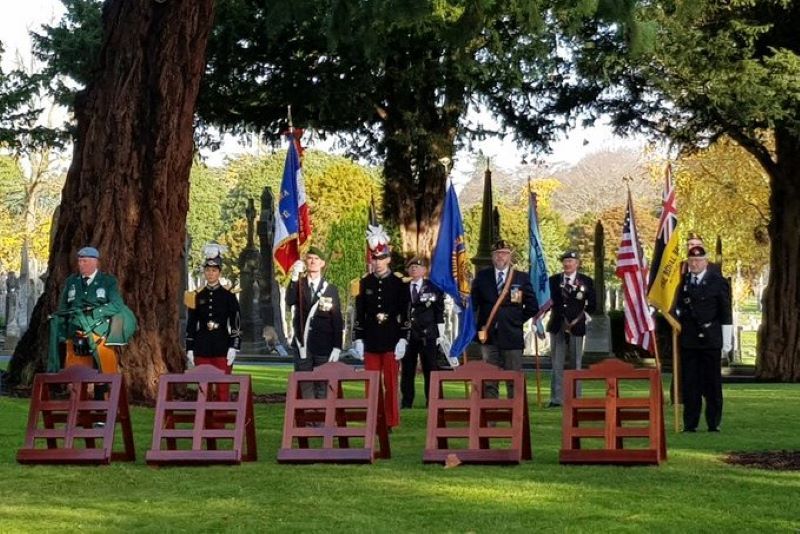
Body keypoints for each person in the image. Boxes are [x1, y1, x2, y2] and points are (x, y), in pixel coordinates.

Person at [353, 224, 410, 429]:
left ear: (388, 259)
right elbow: (359, 313)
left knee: (391, 383)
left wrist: (403, 338)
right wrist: (358, 338)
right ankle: (374, 419)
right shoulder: (364, 283)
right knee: (371, 383)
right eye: (374, 258)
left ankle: (391, 420)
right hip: (371, 339)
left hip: (391, 339)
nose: (377, 262)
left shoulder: (399, 283)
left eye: (381, 258)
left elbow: (406, 312)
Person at [48, 246, 136, 376]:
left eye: (85, 261)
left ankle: (107, 384)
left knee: (106, 363)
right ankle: (75, 384)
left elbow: (117, 305)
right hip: (75, 328)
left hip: (98, 328)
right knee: (75, 371)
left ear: (95, 262)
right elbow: (63, 307)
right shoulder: (71, 281)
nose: (81, 264)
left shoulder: (107, 281)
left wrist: (96, 313)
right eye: (79, 261)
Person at [675, 245, 732, 432]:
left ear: (706, 262)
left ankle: (713, 423)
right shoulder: (683, 282)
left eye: (698, 261)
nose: (694, 264)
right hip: (690, 340)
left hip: (710, 339)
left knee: (712, 384)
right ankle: (690, 424)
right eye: (691, 261)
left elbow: (725, 313)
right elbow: (678, 308)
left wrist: (726, 342)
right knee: (690, 384)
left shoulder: (718, 282)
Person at [471, 240, 538, 398]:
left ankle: (515, 412)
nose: (500, 256)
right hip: (488, 334)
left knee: (513, 378)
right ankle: (490, 411)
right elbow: (473, 304)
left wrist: (516, 320)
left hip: (511, 334)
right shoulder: (482, 276)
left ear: (509, 256)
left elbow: (532, 306)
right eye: (497, 253)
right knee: (489, 379)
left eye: (504, 253)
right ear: (492, 256)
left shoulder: (520, 278)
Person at [286, 246, 344, 398]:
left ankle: (321, 414)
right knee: (305, 386)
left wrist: (337, 346)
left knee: (323, 387)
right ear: (306, 261)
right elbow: (289, 301)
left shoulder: (330, 289)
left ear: (322, 263)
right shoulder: (299, 284)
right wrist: (294, 278)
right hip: (303, 344)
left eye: (316, 259)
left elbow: (337, 319)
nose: (313, 261)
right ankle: (309, 413)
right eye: (310, 258)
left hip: (324, 344)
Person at [185, 245, 241, 399]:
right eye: (208, 270)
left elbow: (236, 322)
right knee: (204, 391)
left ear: (219, 272)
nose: (211, 273)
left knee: (223, 389)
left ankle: (221, 415)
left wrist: (234, 346)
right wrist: (189, 347)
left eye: (214, 270)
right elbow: (191, 324)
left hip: (222, 346)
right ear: (204, 272)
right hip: (202, 347)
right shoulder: (195, 296)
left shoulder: (229, 296)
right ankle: (204, 416)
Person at [546, 250, 596, 407]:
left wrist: (581, 318)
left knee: (576, 362)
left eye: (571, 261)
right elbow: (546, 301)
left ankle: (576, 397)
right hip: (557, 325)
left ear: (577, 264)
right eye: (565, 261)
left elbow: (592, 304)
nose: (567, 264)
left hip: (576, 326)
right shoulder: (553, 280)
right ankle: (556, 398)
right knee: (557, 363)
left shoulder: (586, 281)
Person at [400, 257, 446, 409]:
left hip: (428, 334)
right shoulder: (402, 288)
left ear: (425, 270)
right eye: (411, 266)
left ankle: (431, 401)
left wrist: (440, 332)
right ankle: (407, 401)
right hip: (408, 334)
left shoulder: (433, 287)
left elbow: (438, 310)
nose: (414, 269)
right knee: (407, 369)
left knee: (430, 368)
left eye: (418, 267)